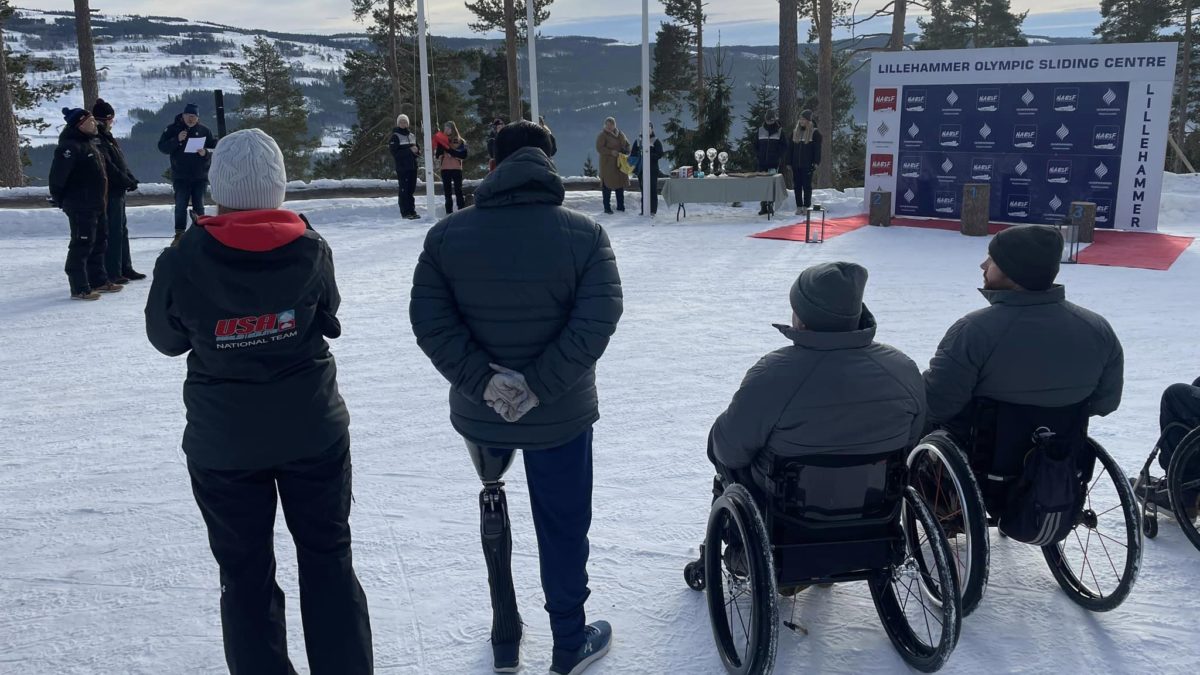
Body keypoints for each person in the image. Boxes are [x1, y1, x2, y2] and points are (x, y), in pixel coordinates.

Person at [145, 129, 373, 674]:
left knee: (244, 576)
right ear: (278, 187)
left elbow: (167, 339)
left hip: (224, 441)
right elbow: (329, 310)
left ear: (218, 186)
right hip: (312, 428)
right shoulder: (311, 247)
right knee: (328, 561)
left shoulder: (183, 256)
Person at [410, 121, 623, 675]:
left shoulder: (447, 235)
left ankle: (505, 632)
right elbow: (597, 320)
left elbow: (430, 321)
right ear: (548, 163)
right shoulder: (585, 234)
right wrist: (540, 386)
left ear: (494, 164)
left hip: (482, 414)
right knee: (563, 524)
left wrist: (483, 381)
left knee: (492, 506)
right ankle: (568, 641)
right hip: (560, 413)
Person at [709, 262, 925, 511]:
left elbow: (729, 450)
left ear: (802, 318)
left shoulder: (773, 375)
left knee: (723, 444)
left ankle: (736, 541)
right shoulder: (902, 369)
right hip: (874, 511)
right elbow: (911, 438)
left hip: (787, 519)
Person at [924, 225, 1124, 444]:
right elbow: (1105, 403)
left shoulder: (974, 331)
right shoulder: (1097, 328)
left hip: (983, 453)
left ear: (1013, 272)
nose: (983, 265)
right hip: (1061, 453)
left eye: (992, 259)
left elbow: (937, 404)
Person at [49, 107, 122, 301]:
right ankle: (79, 286)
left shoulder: (90, 144)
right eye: (89, 122)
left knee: (99, 242)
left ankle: (98, 279)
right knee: (82, 244)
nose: (94, 124)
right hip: (80, 204)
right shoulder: (69, 147)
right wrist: (60, 199)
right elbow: (58, 177)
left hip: (98, 203)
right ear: (79, 125)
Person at [92, 98, 145, 284]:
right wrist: (125, 181)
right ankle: (113, 270)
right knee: (113, 231)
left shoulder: (107, 137)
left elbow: (119, 162)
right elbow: (108, 166)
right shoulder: (97, 138)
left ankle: (125, 266)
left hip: (118, 189)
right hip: (109, 191)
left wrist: (130, 178)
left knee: (121, 230)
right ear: (105, 119)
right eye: (110, 120)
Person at [157, 102, 218, 246]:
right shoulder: (172, 129)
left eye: (194, 117)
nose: (191, 119)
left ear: (198, 118)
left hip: (200, 176)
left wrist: (206, 153)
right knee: (180, 205)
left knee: (199, 206)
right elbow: (162, 147)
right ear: (183, 116)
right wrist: (176, 140)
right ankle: (179, 234)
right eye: (189, 116)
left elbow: (215, 148)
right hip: (181, 175)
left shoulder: (204, 131)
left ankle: (201, 234)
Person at [595, 116, 630, 215]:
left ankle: (621, 206)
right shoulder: (602, 135)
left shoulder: (620, 134)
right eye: (608, 125)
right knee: (607, 185)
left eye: (612, 124)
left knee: (620, 184)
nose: (610, 126)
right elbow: (599, 148)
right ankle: (607, 207)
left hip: (620, 163)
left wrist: (626, 151)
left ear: (615, 125)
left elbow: (627, 144)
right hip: (607, 164)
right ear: (605, 125)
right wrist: (610, 152)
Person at [755, 111, 788, 215]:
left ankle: (770, 205)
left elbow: (784, 146)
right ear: (765, 119)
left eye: (771, 120)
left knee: (772, 184)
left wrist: (778, 156)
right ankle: (763, 206)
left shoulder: (779, 131)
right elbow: (755, 144)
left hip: (773, 162)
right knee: (762, 185)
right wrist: (758, 154)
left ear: (774, 120)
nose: (769, 122)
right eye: (768, 120)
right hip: (762, 162)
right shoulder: (760, 130)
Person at [789, 109, 822, 214]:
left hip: (807, 164)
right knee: (797, 186)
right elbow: (790, 149)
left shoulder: (814, 133)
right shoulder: (795, 132)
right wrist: (788, 162)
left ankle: (806, 206)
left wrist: (816, 162)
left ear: (808, 120)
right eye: (800, 119)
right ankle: (799, 206)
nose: (801, 121)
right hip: (796, 164)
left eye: (803, 119)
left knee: (807, 186)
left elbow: (817, 149)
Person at [389, 114, 421, 219]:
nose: (403, 124)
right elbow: (395, 153)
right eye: (401, 122)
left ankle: (412, 211)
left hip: (412, 167)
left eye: (405, 122)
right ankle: (405, 212)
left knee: (411, 190)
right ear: (398, 124)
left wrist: (417, 151)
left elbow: (417, 150)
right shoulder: (395, 136)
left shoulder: (412, 135)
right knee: (404, 190)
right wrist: (409, 150)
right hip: (402, 168)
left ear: (408, 123)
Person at [433, 121, 469, 214]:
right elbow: (437, 155)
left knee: (458, 191)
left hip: (456, 168)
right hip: (445, 168)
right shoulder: (441, 140)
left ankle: (461, 211)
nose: (446, 130)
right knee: (447, 193)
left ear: (453, 129)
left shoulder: (460, 140)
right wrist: (441, 145)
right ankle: (448, 212)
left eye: (448, 128)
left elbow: (463, 155)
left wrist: (451, 152)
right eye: (445, 128)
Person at [629, 123, 663, 216]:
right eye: (645, 128)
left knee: (652, 189)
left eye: (649, 128)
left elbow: (660, 154)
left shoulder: (655, 141)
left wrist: (649, 155)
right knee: (644, 190)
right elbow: (633, 154)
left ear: (652, 129)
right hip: (641, 170)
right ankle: (644, 210)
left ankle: (652, 210)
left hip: (652, 169)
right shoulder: (638, 141)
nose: (647, 130)